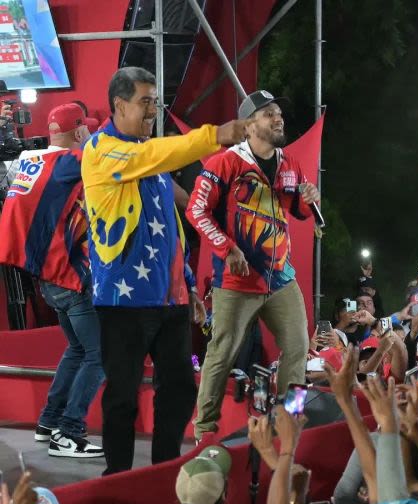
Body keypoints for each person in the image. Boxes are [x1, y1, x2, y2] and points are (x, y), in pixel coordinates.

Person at [82, 67, 246, 474]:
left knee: (177, 389)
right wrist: (215, 135)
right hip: (123, 300)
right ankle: (117, 477)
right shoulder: (104, 150)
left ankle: (164, 472)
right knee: (121, 395)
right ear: (119, 105)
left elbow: (168, 226)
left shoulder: (147, 154)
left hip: (169, 297)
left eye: (156, 100)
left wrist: (188, 284)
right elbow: (155, 155)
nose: (153, 109)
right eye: (145, 101)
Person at [186, 90, 318, 443]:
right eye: (269, 113)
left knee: (298, 346)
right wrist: (226, 248)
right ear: (249, 125)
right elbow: (195, 210)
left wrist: (308, 203)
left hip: (280, 277)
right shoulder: (225, 163)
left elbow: (296, 211)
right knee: (222, 352)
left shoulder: (288, 162)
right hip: (237, 279)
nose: (279, 118)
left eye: (279, 113)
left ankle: (291, 417)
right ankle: (205, 431)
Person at [0, 103, 103, 458]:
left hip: (46, 278)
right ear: (78, 133)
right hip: (69, 278)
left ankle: (48, 422)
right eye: (85, 130)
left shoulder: (29, 160)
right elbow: (106, 151)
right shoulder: (66, 163)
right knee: (98, 355)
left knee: (77, 349)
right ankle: (69, 432)